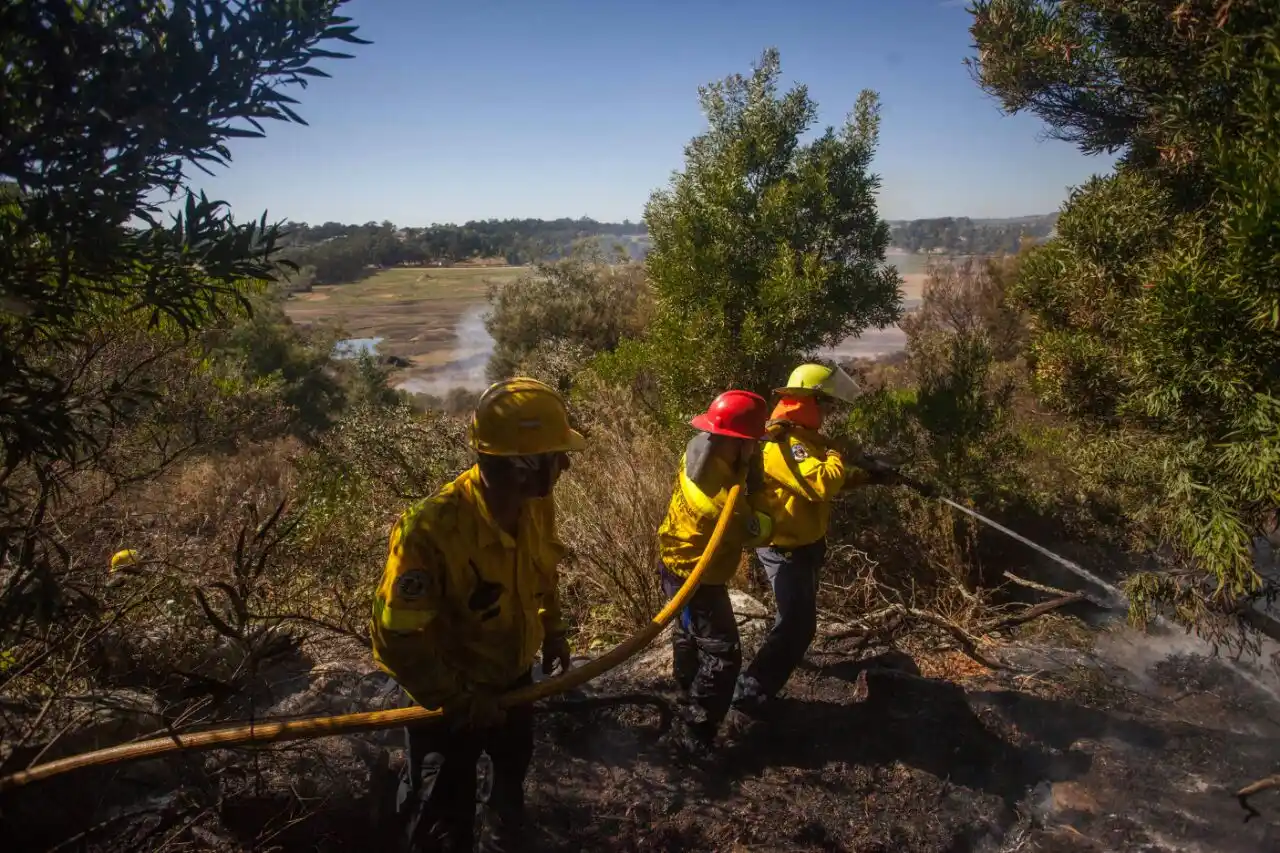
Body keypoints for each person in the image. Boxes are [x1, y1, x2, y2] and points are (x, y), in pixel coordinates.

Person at [370, 377, 584, 853]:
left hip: (514, 685)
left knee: (509, 794)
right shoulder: (430, 531)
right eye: (556, 454)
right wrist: (458, 699)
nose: (566, 463)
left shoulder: (536, 505)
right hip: (446, 705)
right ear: (524, 466)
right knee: (439, 819)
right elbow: (395, 635)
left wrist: (553, 630)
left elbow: (541, 572)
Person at [729, 363, 902, 728]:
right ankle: (748, 695)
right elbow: (819, 483)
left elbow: (826, 480)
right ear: (808, 401)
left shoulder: (803, 439)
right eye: (825, 404)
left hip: (804, 545)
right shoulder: (781, 443)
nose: (828, 413)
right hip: (784, 548)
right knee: (797, 625)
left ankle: (757, 686)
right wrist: (840, 453)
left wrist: (871, 477)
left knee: (794, 620)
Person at [657, 389, 774, 755]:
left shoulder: (697, 448)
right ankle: (696, 736)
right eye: (754, 442)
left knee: (688, 633)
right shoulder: (723, 506)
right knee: (724, 656)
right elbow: (762, 530)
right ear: (741, 443)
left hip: (672, 564)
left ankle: (682, 694)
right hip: (699, 581)